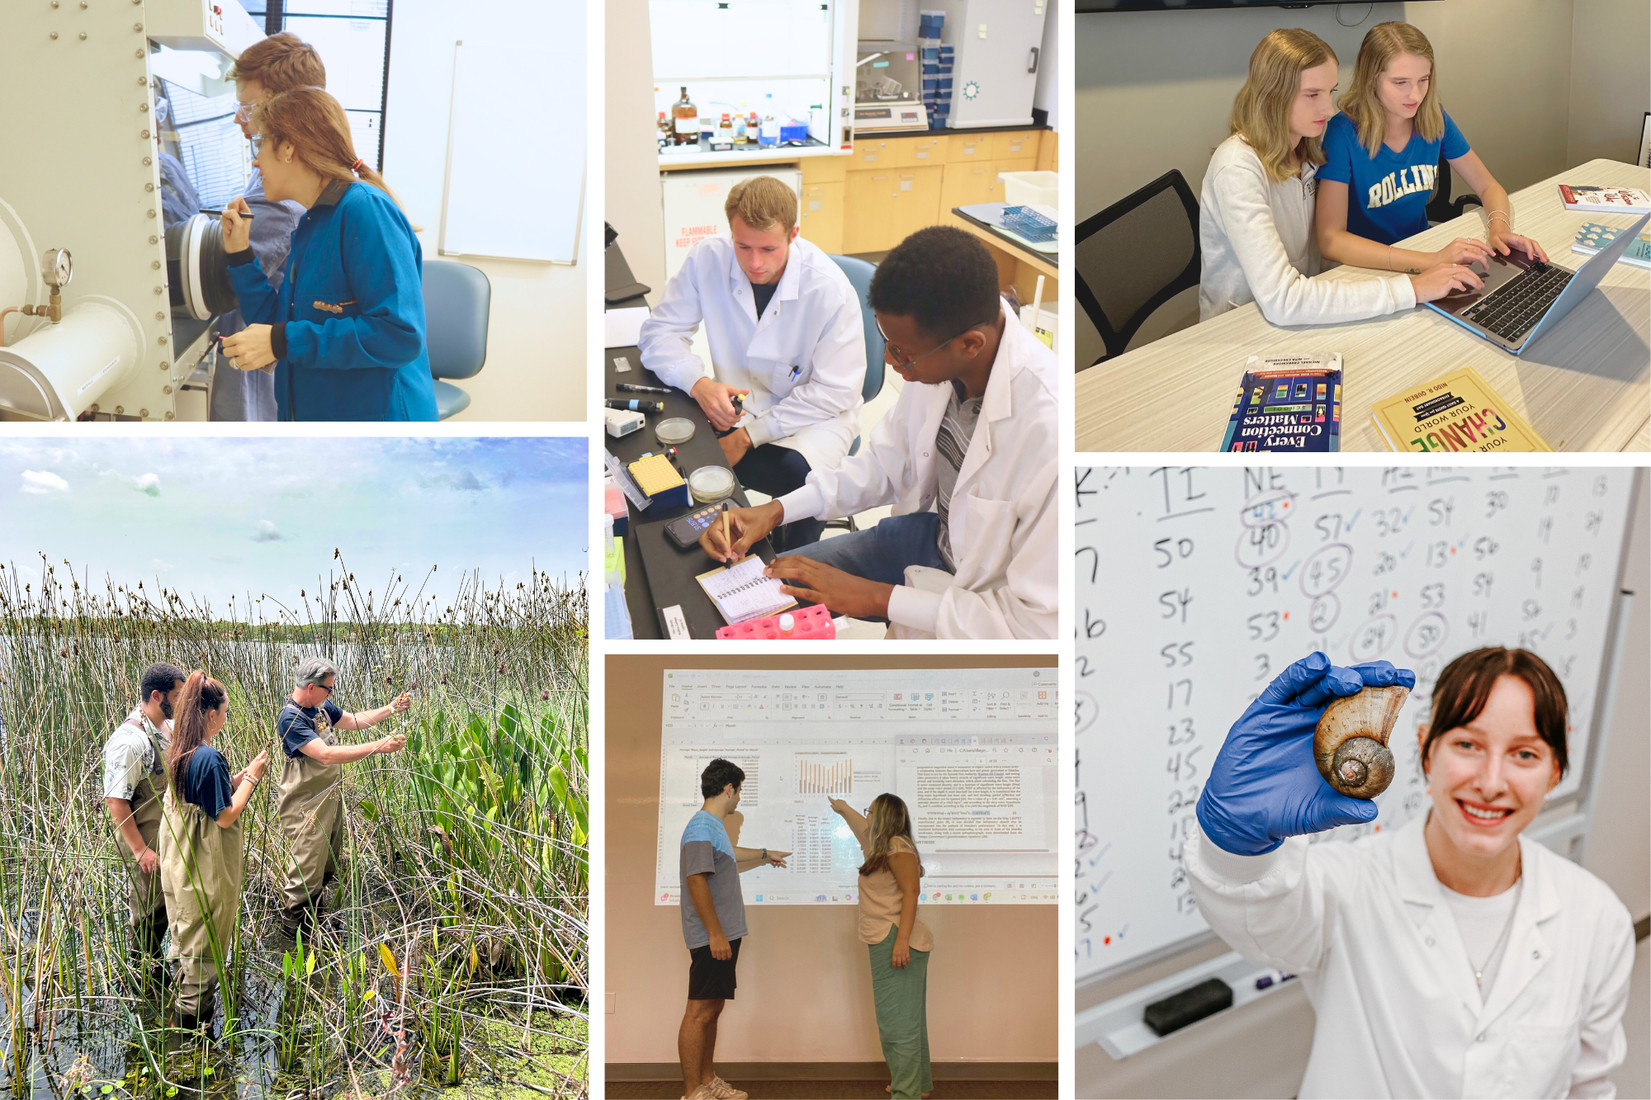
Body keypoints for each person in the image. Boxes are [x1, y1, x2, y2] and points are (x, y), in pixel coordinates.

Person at [1188, 649, 1633, 1097]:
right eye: (1467, 745)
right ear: (1425, 750)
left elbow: (1589, 1086)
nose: (1492, 782)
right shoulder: (1347, 887)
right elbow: (1257, 914)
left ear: (1555, 771)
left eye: (1524, 754)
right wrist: (1236, 844)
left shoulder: (1597, 919)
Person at [702, 226, 1057, 639]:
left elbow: (1034, 626)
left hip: (981, 595)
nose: (888, 360)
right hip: (925, 537)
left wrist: (875, 598)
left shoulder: (1046, 433)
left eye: (903, 352)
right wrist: (776, 510)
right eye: (886, 340)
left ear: (970, 344)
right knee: (750, 598)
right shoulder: (945, 361)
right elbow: (882, 467)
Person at [639, 176, 866, 550]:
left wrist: (750, 436)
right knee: (679, 455)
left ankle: (795, 569)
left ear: (794, 234)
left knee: (805, 487)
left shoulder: (829, 290)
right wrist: (700, 384)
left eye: (768, 249)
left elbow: (835, 391)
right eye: (743, 246)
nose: (754, 263)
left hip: (815, 419)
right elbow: (658, 334)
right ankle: (702, 552)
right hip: (738, 409)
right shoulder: (708, 259)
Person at [1200, 28, 1484, 325]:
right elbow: (1283, 300)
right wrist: (1411, 288)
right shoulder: (1236, 168)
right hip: (1243, 324)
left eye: (1330, 92)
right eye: (1312, 95)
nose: (1328, 108)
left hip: (1311, 305)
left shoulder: (1306, 149)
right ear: (1272, 95)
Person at [219, 87, 437, 421]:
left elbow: (399, 334)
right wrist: (240, 255)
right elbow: (278, 325)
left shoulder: (365, 211)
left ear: (288, 147)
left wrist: (284, 341)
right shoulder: (313, 221)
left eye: (260, 142)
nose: (255, 159)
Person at [1316, 22, 1550, 276]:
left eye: (1423, 80)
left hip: (1422, 249)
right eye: (1401, 82)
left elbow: (1488, 186)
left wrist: (1500, 230)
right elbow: (1331, 240)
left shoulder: (1433, 117)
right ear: (1372, 80)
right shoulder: (1342, 133)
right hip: (1367, 268)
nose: (1415, 95)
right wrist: (1430, 261)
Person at [212, 32, 326, 422]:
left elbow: (395, 334)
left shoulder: (290, 196)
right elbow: (270, 305)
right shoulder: (278, 178)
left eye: (247, 109)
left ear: (284, 110)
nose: (238, 120)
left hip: (269, 362)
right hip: (269, 349)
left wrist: (280, 339)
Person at [157, 671, 269, 1039]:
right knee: (203, 962)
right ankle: (191, 1044)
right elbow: (223, 816)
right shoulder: (207, 756)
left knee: (188, 953)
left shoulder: (180, 747)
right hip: (202, 874)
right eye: (224, 710)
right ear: (210, 714)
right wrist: (252, 777)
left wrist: (233, 780)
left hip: (179, 868)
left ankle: (181, 1036)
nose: (226, 716)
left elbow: (204, 797)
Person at [272, 657, 409, 945]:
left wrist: (390, 708)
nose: (331, 694)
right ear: (311, 687)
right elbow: (325, 754)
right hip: (305, 804)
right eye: (328, 689)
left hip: (328, 798)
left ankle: (316, 927)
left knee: (326, 866)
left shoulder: (320, 706)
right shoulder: (291, 717)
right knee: (305, 874)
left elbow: (355, 720)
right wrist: (378, 747)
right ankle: (291, 943)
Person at [678, 758, 790, 1100]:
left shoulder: (711, 827)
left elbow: (727, 856)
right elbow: (696, 879)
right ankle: (691, 1091)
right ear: (729, 789)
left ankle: (708, 1080)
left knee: (712, 1009)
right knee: (699, 1012)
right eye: (739, 792)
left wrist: (765, 853)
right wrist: (714, 933)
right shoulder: (701, 827)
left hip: (724, 935)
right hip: (714, 937)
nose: (739, 799)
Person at [829, 795, 933, 1100]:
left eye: (870, 812)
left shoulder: (898, 849)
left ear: (884, 816)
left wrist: (901, 941)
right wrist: (843, 808)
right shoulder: (881, 846)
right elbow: (862, 829)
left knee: (896, 1023)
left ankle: (907, 1092)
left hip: (897, 939)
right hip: (889, 937)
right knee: (907, 1020)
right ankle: (918, 1085)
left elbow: (912, 892)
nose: (868, 817)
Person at [102, 662, 185, 1006]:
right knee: (147, 914)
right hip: (144, 842)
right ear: (156, 696)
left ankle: (152, 973)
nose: (181, 702)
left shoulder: (163, 725)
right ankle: (141, 981)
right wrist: (140, 851)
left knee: (163, 909)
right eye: (177, 696)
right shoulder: (130, 741)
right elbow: (116, 800)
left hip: (163, 837)